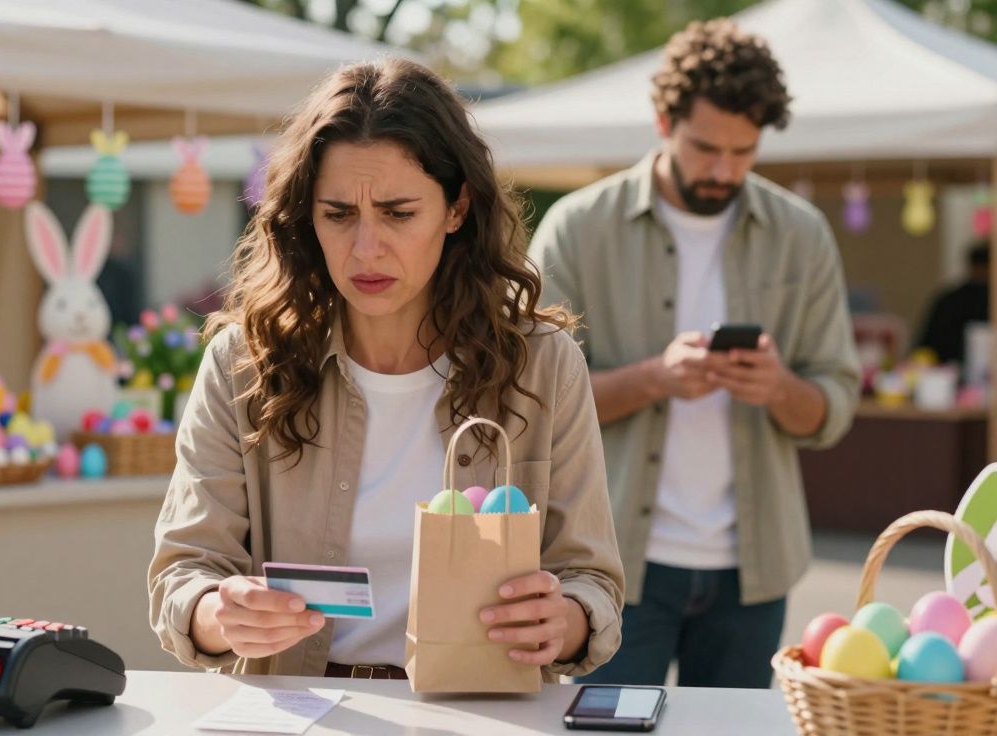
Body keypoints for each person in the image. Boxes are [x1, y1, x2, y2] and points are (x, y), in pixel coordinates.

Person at [149, 58, 624, 680]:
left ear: (457, 209)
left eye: (399, 213)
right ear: (304, 216)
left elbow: (591, 582)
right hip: (298, 712)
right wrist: (219, 613)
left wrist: (562, 621)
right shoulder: (243, 362)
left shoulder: (542, 364)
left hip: (479, 712)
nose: (366, 248)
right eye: (339, 214)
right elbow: (183, 573)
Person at [528, 19, 859, 688]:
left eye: (744, 151)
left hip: (755, 572)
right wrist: (655, 378)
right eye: (706, 147)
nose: (723, 169)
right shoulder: (578, 226)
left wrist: (779, 388)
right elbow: (529, 402)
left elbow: (835, 404)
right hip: (610, 568)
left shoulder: (803, 234)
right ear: (662, 120)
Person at [917, 242, 989, 366]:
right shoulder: (950, 300)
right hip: (948, 370)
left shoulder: (948, 298)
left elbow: (925, 345)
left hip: (945, 369)